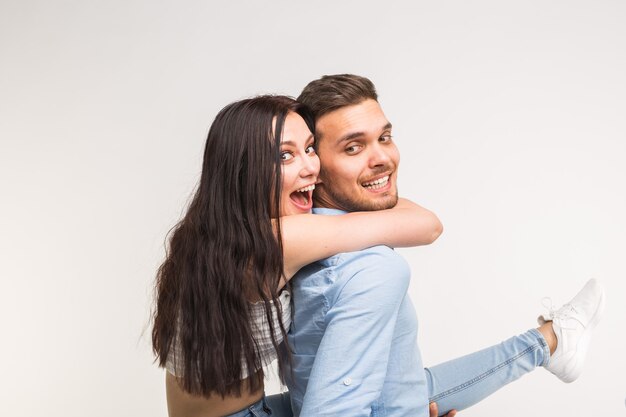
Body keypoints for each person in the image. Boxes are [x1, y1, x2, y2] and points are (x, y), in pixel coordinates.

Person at [284, 74, 605, 417]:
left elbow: (392, 386)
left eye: (385, 137)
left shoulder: (303, 232)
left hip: (393, 396)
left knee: (410, 381)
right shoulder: (371, 268)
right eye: (353, 147)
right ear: (314, 164)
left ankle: (550, 340)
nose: (383, 158)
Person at [151, 95, 452, 417]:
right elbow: (428, 226)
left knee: (427, 394)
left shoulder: (213, 232)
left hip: (255, 408)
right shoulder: (276, 240)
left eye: (310, 149)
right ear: (243, 170)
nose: (312, 168)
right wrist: (359, 187)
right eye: (285, 155)